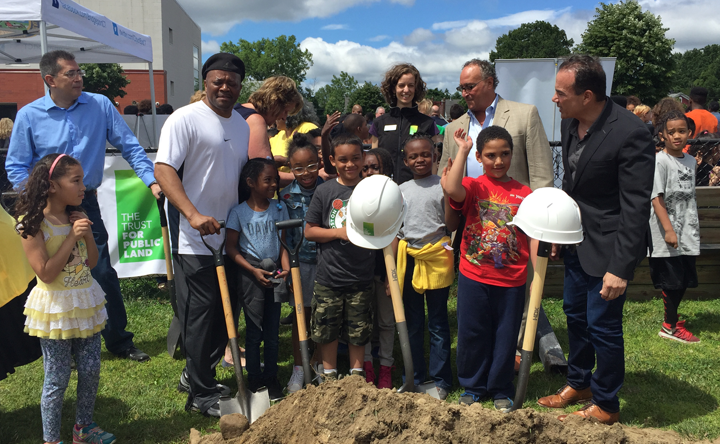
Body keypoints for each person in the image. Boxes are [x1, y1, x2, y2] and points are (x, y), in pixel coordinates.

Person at [6, 49, 158, 362]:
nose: (79, 78)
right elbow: (16, 166)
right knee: (54, 276)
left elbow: (130, 146)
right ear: (50, 79)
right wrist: (35, 201)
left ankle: (119, 341)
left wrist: (152, 182)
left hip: (84, 201)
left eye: (79, 72)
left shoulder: (100, 105)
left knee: (99, 269)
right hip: (45, 209)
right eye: (71, 73)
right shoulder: (29, 115)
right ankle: (65, 347)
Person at [538, 55, 655, 425]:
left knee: (602, 325)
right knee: (575, 315)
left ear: (587, 95)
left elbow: (635, 207)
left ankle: (606, 403)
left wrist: (620, 269)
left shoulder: (630, 132)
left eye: (560, 93)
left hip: (609, 248)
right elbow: (572, 187)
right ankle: (580, 382)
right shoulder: (573, 125)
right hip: (576, 242)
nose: (554, 99)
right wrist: (559, 230)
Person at [154, 52, 249, 418]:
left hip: (228, 235)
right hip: (194, 237)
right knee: (201, 313)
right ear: (205, 82)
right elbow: (164, 171)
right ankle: (200, 394)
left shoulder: (240, 124)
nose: (225, 87)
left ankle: (197, 377)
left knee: (226, 311)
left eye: (232, 82)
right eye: (218, 81)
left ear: (241, 86)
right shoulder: (186, 119)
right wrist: (192, 215)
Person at [15, 153, 114, 444]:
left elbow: (92, 262)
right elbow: (45, 273)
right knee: (57, 378)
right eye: (76, 180)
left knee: (91, 370)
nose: (84, 186)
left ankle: (84, 428)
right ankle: (51, 439)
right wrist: (72, 236)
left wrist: (85, 234)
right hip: (56, 308)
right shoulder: (32, 224)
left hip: (85, 302)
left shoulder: (78, 216)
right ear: (53, 185)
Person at [443, 125, 537, 413]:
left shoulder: (525, 193)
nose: (498, 161)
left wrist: (536, 277)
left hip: (512, 279)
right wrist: (462, 150)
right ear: (480, 158)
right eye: (491, 155)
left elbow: (533, 234)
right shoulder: (474, 186)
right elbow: (451, 188)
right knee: (473, 332)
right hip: (474, 275)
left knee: (505, 335)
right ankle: (473, 385)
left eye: (505, 154)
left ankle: (500, 387)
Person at [304, 133, 374, 381]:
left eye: (356, 158)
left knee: (359, 330)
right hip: (329, 278)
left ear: (363, 158)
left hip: (362, 276)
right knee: (326, 330)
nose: (350, 165)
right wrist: (339, 232)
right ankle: (329, 377)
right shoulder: (325, 191)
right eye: (343, 160)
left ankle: (357, 378)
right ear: (332, 160)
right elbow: (310, 230)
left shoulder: (372, 189)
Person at [395, 134, 455, 400]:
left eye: (425, 154)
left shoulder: (442, 185)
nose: (420, 159)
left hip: (437, 257)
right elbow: (396, 230)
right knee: (413, 321)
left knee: (439, 322)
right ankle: (416, 376)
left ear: (435, 156)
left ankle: (441, 379)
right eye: (413, 156)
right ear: (405, 160)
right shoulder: (401, 190)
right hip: (409, 259)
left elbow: (451, 222)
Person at [227, 158, 289, 401]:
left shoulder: (279, 209)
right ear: (251, 183)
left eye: (276, 179)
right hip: (251, 275)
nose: (274, 184)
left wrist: (286, 271)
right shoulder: (238, 212)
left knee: (272, 332)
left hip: (274, 274)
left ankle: (271, 378)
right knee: (254, 331)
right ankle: (254, 379)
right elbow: (231, 248)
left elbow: (283, 244)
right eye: (268, 180)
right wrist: (252, 271)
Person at [439, 59, 553, 190]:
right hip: (467, 209)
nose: (464, 94)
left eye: (470, 87)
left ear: (489, 83)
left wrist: (536, 208)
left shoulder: (525, 115)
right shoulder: (453, 129)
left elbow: (541, 174)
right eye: (462, 88)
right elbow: (444, 177)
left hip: (517, 208)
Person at [649, 110, 701, 343]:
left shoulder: (691, 161)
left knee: (685, 277)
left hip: (688, 230)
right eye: (671, 132)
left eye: (682, 131)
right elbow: (656, 198)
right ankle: (669, 326)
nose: (677, 136)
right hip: (666, 232)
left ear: (689, 133)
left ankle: (672, 318)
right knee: (672, 279)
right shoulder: (659, 161)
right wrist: (668, 230)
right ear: (662, 136)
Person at [278, 133, 324, 392]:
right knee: (301, 317)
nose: (306, 173)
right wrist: (288, 269)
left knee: (323, 316)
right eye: (298, 168)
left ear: (318, 162)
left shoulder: (328, 189)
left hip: (326, 262)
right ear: (290, 168)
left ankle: (317, 364)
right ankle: (299, 367)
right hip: (300, 266)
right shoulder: (286, 197)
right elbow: (284, 238)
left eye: (310, 166)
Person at [360, 147, 397, 389]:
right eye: (365, 168)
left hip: (385, 268)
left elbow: (395, 233)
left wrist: (390, 275)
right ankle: (366, 365)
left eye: (375, 167)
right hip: (360, 269)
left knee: (386, 321)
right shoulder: (358, 195)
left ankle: (386, 366)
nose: (370, 172)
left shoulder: (394, 196)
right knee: (362, 320)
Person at [371, 63, 439, 184]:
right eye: (401, 85)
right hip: (385, 188)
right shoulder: (379, 123)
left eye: (411, 85)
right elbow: (373, 159)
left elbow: (433, 161)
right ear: (393, 88)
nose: (406, 90)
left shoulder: (427, 123)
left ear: (416, 88)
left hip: (418, 188)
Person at [234, 76, 303, 184]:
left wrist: (276, 160)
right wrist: (306, 177)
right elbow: (264, 176)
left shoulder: (238, 111)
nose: (284, 118)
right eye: (285, 111)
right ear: (275, 102)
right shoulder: (256, 121)